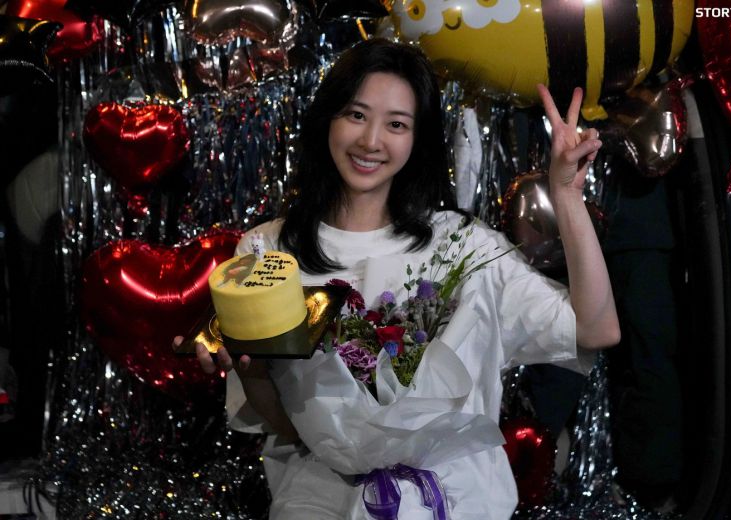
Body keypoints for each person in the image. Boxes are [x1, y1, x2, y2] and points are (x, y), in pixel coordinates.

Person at [176, 38, 620, 519]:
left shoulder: (463, 246)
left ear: (417, 138)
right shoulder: (268, 250)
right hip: (321, 504)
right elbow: (286, 429)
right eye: (356, 115)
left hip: (455, 503)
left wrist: (566, 195)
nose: (370, 141)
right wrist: (250, 368)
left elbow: (595, 330)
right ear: (328, 118)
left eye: (396, 124)